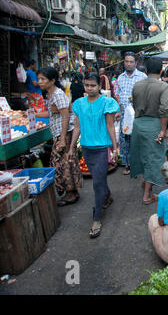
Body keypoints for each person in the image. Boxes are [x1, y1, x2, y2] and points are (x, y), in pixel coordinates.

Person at [68, 73, 119, 238]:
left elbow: (110, 126)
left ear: (99, 86)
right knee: (100, 180)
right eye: (86, 85)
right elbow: (77, 127)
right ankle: (107, 196)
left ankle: (96, 219)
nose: (89, 88)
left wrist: (115, 147)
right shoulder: (79, 103)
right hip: (87, 149)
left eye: (92, 85)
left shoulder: (107, 102)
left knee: (97, 182)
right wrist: (71, 148)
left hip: (103, 148)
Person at [36, 67, 82, 206]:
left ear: (52, 80)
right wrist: (32, 114)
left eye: (43, 79)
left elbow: (65, 116)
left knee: (65, 164)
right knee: (62, 164)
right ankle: (70, 192)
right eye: (39, 79)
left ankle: (71, 193)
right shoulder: (51, 95)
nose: (40, 82)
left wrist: (62, 139)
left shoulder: (58, 94)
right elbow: (51, 114)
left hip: (64, 135)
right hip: (58, 134)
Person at [130, 57, 168, 205]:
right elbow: (164, 110)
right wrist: (163, 130)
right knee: (153, 159)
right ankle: (147, 195)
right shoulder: (163, 86)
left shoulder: (137, 85)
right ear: (161, 71)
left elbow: (134, 105)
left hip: (138, 124)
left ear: (146, 71)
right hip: (154, 125)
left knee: (142, 155)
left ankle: (144, 182)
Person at [114, 52, 147, 175]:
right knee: (124, 139)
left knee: (136, 139)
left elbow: (146, 96)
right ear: (124, 62)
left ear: (135, 63)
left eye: (131, 61)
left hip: (137, 115)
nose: (129, 64)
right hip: (123, 115)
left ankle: (137, 164)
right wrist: (118, 110)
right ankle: (127, 164)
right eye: (126, 61)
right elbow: (117, 94)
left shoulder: (142, 77)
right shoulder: (120, 77)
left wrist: (137, 98)